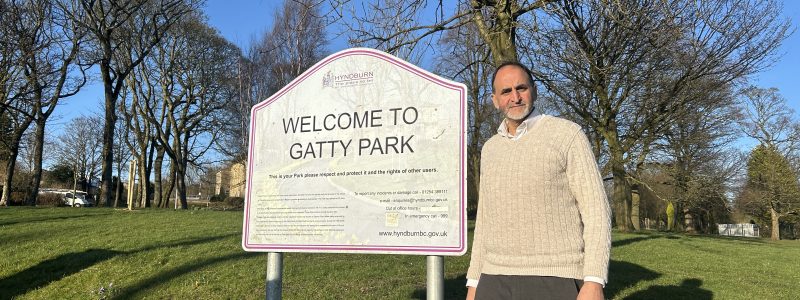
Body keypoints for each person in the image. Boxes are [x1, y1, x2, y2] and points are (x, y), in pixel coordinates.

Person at [465, 62, 611, 300]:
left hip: (556, 277)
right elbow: (484, 220)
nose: (515, 97)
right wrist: (473, 283)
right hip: (493, 279)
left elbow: (596, 211)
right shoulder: (490, 149)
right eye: (506, 91)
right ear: (494, 100)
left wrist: (594, 279)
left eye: (521, 88)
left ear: (534, 90)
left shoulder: (567, 135)